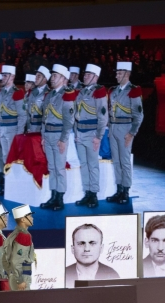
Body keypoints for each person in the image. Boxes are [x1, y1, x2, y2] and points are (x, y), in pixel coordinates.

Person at [106, 61, 144, 205]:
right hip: (114, 127)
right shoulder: (114, 90)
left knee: (125, 161)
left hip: (125, 128)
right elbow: (111, 111)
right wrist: (110, 128)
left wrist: (132, 132)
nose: (116, 75)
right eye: (116, 73)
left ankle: (126, 191)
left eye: (119, 73)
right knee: (116, 161)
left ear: (127, 74)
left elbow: (139, 115)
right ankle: (119, 189)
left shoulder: (134, 90)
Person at [39, 64, 76, 211]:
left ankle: (59, 198)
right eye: (52, 75)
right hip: (48, 134)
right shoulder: (49, 95)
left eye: (55, 76)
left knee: (59, 168)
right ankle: (53, 196)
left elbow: (69, 121)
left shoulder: (67, 95)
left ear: (63, 79)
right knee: (51, 167)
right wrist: (43, 136)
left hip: (59, 135)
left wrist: (63, 139)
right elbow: (44, 118)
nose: (52, 78)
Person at [73, 64, 109, 208]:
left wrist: (99, 136)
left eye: (89, 74)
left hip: (92, 134)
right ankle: (87, 192)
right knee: (84, 165)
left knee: (93, 165)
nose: (85, 76)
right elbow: (76, 115)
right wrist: (76, 133)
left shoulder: (99, 92)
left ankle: (93, 194)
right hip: (80, 134)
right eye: (85, 74)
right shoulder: (81, 92)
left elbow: (103, 117)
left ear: (96, 77)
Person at [0, 65, 26, 196]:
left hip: (12, 130)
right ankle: (7, 184)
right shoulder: (1, 92)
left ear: (12, 77)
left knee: (11, 158)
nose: (3, 78)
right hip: (2, 129)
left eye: (5, 76)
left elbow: (23, 115)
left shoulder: (17, 93)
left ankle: (13, 185)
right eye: (2, 75)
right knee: (4, 158)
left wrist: (18, 134)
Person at [65, 223, 120, 288]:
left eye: (92, 243)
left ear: (101, 248)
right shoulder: (63, 274)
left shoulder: (112, 275)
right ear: (73, 249)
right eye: (81, 244)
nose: (86, 249)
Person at [3, 205, 35, 290]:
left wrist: (11, 274)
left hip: (13, 276)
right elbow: (15, 260)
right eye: (30, 216)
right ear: (23, 219)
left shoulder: (12, 235)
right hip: (21, 277)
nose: (32, 218)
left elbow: (4, 259)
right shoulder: (24, 236)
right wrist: (20, 280)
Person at [25, 66, 50, 134]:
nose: (35, 78)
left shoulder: (48, 93)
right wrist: (28, 127)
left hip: (41, 130)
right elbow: (28, 113)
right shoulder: (32, 92)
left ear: (45, 79)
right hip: (31, 129)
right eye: (36, 76)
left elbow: (47, 116)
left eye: (39, 76)